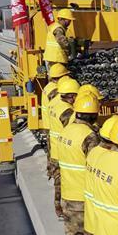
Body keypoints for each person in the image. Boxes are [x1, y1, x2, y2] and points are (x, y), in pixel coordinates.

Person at [58, 93, 101, 235]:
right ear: (93, 115)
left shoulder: (66, 131)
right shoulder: (89, 137)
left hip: (68, 195)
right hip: (85, 198)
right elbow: (98, 164)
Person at [49, 76, 80, 218]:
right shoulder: (66, 112)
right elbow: (74, 129)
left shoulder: (55, 103)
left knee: (57, 180)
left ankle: (58, 206)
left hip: (55, 149)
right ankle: (60, 208)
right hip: (63, 152)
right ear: (72, 96)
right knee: (61, 182)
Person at [40, 63, 68, 164]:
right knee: (56, 152)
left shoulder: (48, 87)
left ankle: (52, 169)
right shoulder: (55, 91)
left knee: (52, 150)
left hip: (49, 124)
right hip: (55, 126)